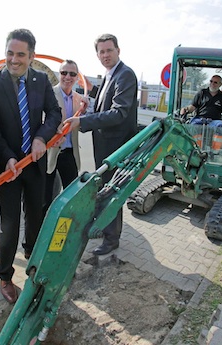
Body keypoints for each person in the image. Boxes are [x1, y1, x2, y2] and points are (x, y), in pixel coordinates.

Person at [0, 28, 62, 304]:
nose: (14, 59)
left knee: (35, 215)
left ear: (31, 56)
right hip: (7, 167)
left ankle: (32, 259)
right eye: (10, 53)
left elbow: (54, 113)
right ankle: (5, 276)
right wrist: (8, 157)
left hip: (34, 164)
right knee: (9, 223)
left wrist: (41, 138)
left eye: (20, 54)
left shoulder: (41, 81)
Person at [65, 33, 138, 256]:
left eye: (109, 50)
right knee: (105, 188)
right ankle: (107, 231)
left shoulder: (125, 75)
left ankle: (111, 239)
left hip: (116, 147)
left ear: (118, 50)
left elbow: (118, 112)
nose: (105, 55)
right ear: (97, 55)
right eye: (101, 52)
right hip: (105, 145)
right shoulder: (109, 75)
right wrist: (90, 104)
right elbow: (105, 105)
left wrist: (83, 121)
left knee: (111, 191)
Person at [44, 59, 88, 214]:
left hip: (70, 152)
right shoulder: (48, 94)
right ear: (59, 74)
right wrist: (50, 138)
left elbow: (81, 124)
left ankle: (68, 226)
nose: (67, 77)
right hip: (50, 152)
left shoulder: (79, 99)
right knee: (46, 196)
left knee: (71, 194)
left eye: (72, 74)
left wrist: (84, 114)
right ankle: (43, 229)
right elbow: (40, 122)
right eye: (64, 73)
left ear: (77, 77)